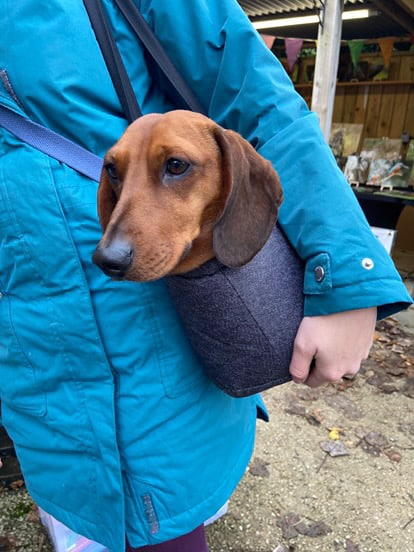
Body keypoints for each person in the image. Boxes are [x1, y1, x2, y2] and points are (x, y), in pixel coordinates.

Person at [0, 1, 411, 551]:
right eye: (118, 174)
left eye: (176, 168)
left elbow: (257, 97)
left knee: (166, 511)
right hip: (30, 356)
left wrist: (343, 280)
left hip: (150, 343)